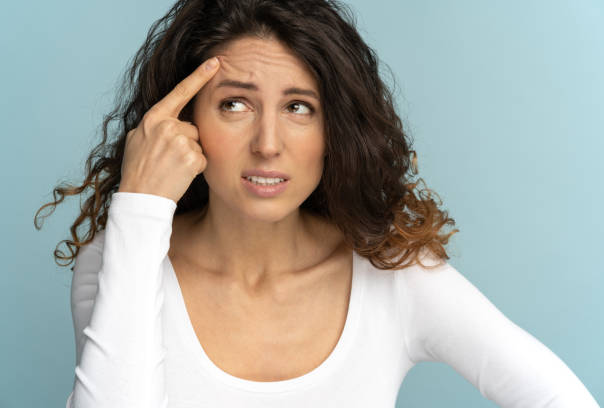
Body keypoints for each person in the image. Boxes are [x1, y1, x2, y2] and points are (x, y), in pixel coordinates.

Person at [34, 0, 599, 407]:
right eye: (235, 104)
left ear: (336, 130)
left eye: (300, 107)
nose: (269, 144)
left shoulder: (393, 278)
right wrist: (139, 206)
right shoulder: (123, 259)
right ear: (183, 123)